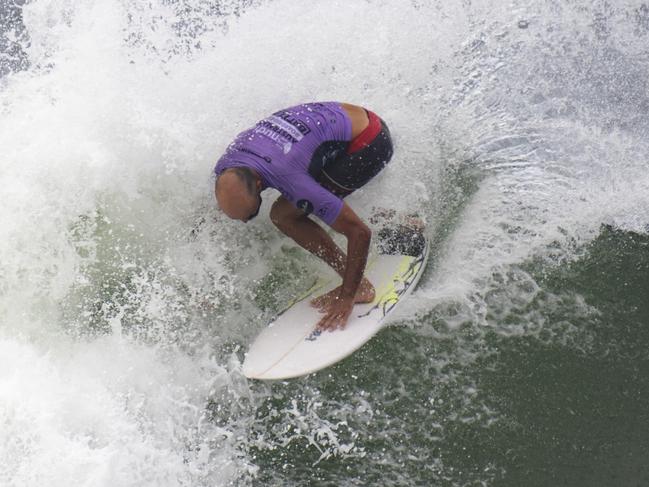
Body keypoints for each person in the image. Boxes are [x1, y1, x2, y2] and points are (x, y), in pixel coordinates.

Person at [213, 102, 393, 331]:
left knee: (284, 215)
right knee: (310, 199)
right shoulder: (226, 164)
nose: (243, 221)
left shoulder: (289, 178)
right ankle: (391, 218)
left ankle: (359, 288)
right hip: (342, 120)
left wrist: (345, 298)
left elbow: (360, 233)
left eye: (249, 216)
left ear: (259, 184)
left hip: (369, 142)